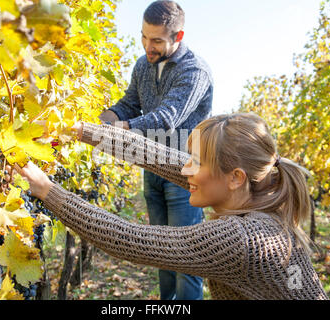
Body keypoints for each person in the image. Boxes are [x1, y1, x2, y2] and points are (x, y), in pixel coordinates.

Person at [7, 113, 329, 300]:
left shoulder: (241, 239)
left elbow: (130, 239)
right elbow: (150, 154)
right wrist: (78, 131)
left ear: (235, 177)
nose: (185, 169)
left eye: (196, 163)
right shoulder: (258, 188)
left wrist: (47, 190)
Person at [98, 0, 213, 300]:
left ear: (178, 37)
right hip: (152, 170)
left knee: (186, 259)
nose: (148, 46)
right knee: (162, 256)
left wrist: (119, 130)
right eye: (144, 37)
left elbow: (166, 118)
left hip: (186, 175)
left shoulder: (195, 70)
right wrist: (103, 120)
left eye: (157, 41)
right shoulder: (142, 65)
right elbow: (128, 105)